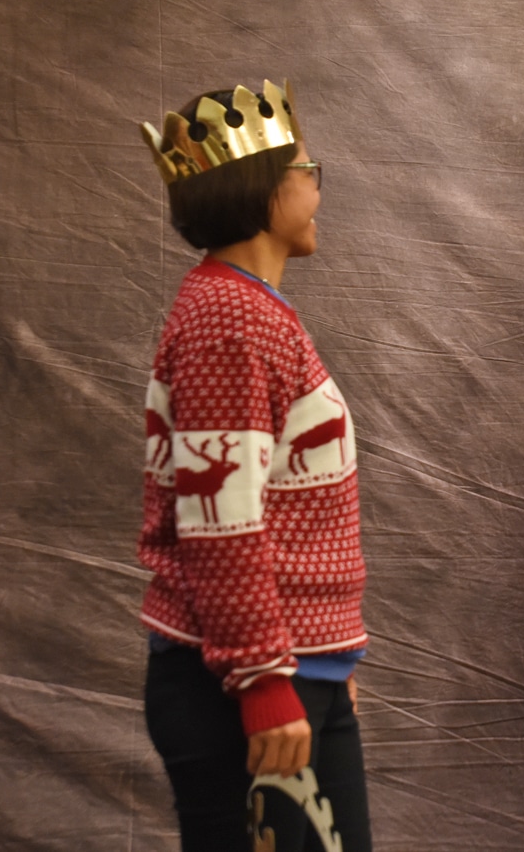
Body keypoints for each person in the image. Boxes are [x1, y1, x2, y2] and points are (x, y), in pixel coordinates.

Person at [137, 82, 372, 851]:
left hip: (297, 668)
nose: (319, 188)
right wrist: (266, 680)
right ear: (263, 190)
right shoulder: (229, 322)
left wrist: (325, 662)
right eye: (310, 171)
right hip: (239, 685)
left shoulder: (250, 309)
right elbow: (221, 522)